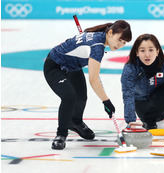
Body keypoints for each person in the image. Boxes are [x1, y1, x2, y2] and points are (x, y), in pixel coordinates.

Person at [44, 20, 132, 150]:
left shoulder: (99, 37)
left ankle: (76, 122)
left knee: (81, 97)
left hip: (73, 66)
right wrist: (106, 101)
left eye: (124, 43)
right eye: (120, 40)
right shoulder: (97, 46)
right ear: (111, 32)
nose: (121, 45)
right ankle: (61, 135)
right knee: (69, 97)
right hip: (55, 66)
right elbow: (94, 80)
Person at [121, 34, 164, 131]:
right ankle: (150, 120)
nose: (147, 55)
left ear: (157, 51)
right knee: (147, 113)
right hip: (141, 103)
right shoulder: (130, 69)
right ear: (137, 52)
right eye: (142, 50)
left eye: (151, 50)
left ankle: (162, 113)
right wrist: (131, 121)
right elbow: (128, 95)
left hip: (159, 98)